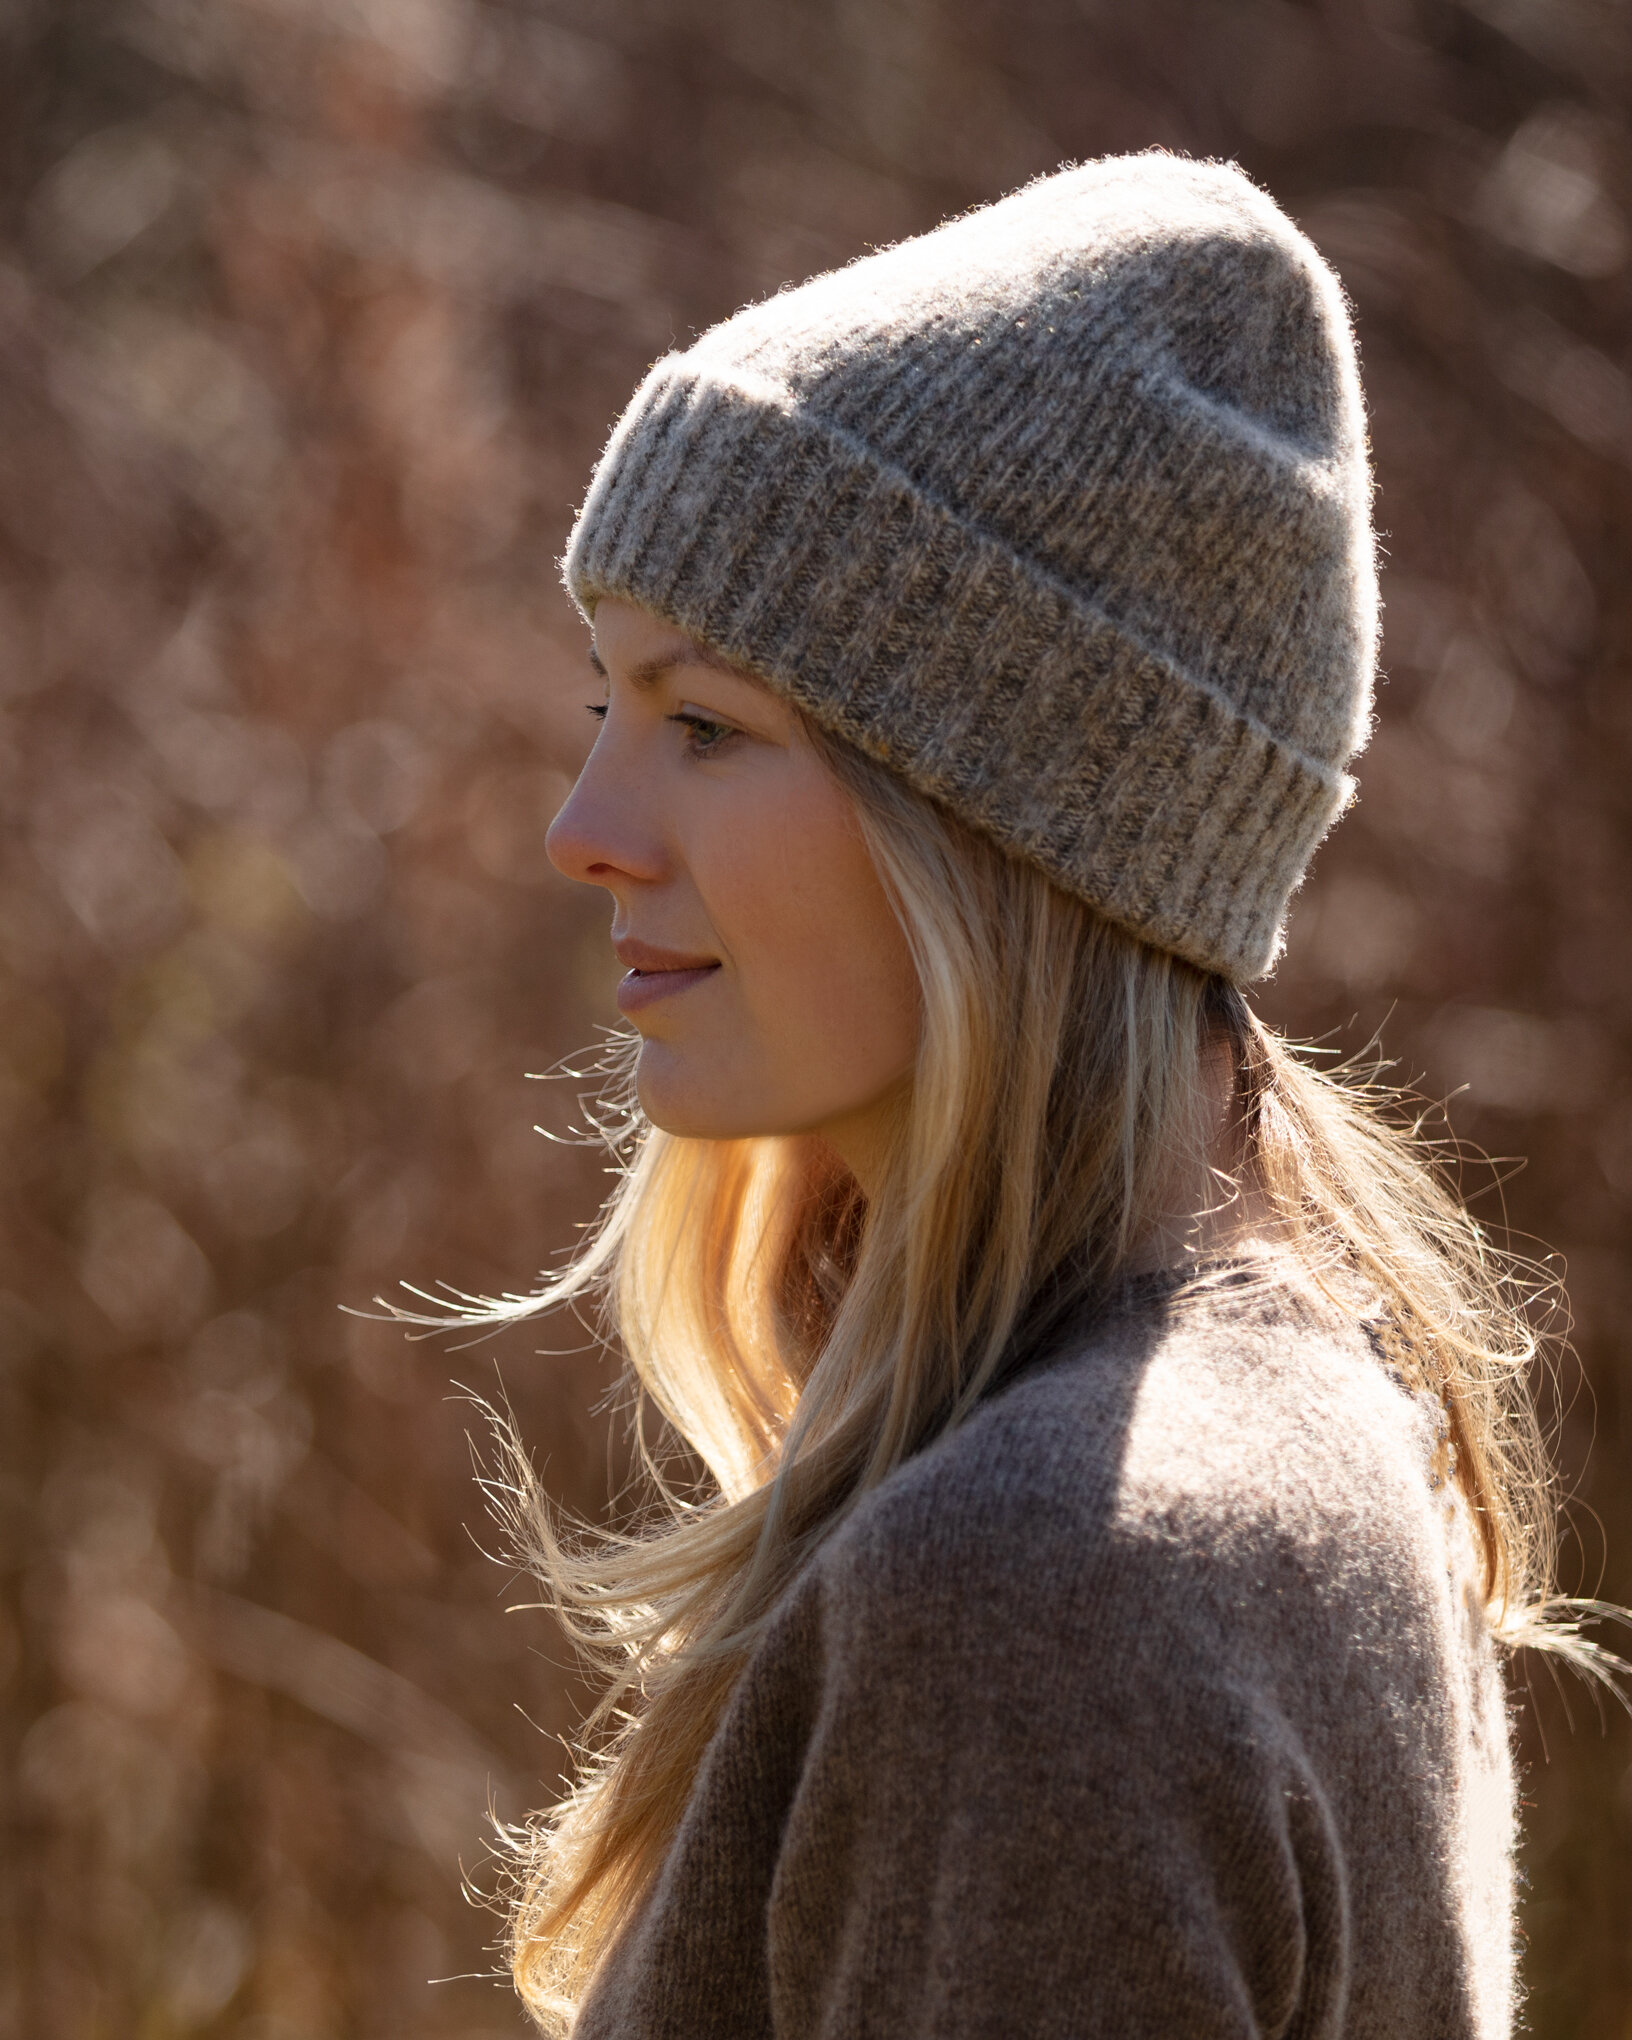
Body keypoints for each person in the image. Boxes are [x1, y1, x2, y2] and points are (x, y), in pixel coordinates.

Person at [445, 153, 1591, 2036]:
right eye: (608, 707)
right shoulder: (1295, 1436)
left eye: (706, 724)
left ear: (991, 827)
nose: (584, 834)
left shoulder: (1054, 1587)